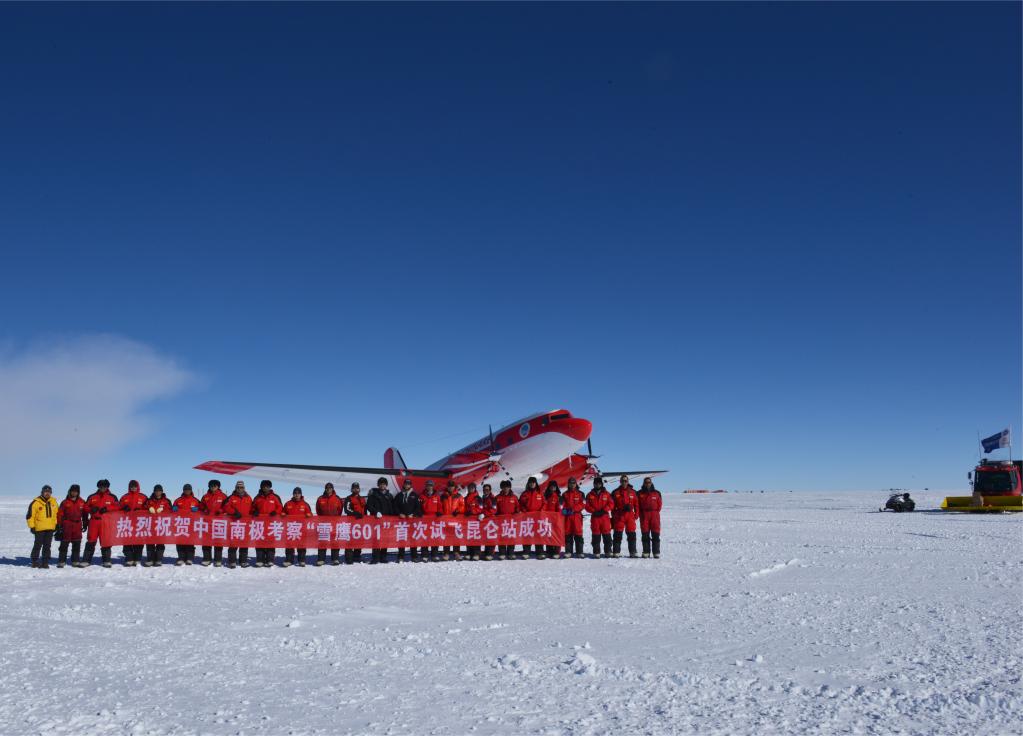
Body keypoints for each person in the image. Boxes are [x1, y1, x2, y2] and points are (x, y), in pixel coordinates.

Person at [82, 479, 120, 567]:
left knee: (106, 541)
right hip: (94, 522)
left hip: (106, 522)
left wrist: (107, 509)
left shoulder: (112, 497)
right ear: (98, 487)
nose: (102, 488)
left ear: (107, 487)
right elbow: (85, 507)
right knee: (91, 541)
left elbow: (118, 507)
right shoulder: (92, 496)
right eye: (101, 486)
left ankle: (106, 560)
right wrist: (91, 509)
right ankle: (86, 560)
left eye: (104, 486)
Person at [251, 480, 284, 567]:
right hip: (260, 524)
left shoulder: (275, 497)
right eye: (264, 486)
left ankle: (270, 559)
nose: (265, 488)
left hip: (271, 524)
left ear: (270, 487)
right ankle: (260, 560)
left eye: (267, 486)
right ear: (261, 487)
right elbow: (252, 508)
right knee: (259, 541)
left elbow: (280, 507)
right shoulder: (257, 497)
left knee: (270, 542)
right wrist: (254, 511)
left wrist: (276, 512)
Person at [222, 481, 253, 568]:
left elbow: (252, 508)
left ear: (244, 488)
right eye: (238, 487)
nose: (240, 489)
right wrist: (234, 512)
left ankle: (243, 561)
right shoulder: (231, 497)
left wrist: (254, 511)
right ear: (235, 488)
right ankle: (232, 561)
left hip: (245, 525)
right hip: (234, 524)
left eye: (241, 487)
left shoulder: (248, 498)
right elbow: (226, 507)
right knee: (233, 543)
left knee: (244, 543)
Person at [26, 484, 58, 568]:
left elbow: (56, 515)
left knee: (47, 546)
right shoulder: (36, 502)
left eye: (49, 492)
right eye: (45, 492)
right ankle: (34, 561)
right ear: (42, 492)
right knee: (38, 545)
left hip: (50, 528)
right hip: (39, 528)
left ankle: (45, 562)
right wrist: (32, 526)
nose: (47, 493)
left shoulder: (54, 502)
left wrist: (56, 525)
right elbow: (30, 516)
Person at [392, 478, 423, 562]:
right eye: (406, 484)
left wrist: (413, 514)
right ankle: (401, 556)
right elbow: (395, 506)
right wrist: (399, 513)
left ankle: (414, 556)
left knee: (413, 539)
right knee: (402, 538)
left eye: (408, 484)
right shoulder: (399, 495)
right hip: (401, 521)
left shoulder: (414, 495)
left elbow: (418, 507)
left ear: (410, 485)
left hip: (412, 520)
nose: (407, 485)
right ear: (404, 484)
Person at [366, 477, 395, 564]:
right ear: (378, 485)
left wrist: (392, 518)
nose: (382, 486)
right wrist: (376, 512)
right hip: (376, 521)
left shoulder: (389, 496)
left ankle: (383, 557)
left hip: (386, 521)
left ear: (386, 485)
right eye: (381, 484)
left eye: (384, 484)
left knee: (385, 539)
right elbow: (369, 506)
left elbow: (392, 508)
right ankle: (375, 557)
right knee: (376, 539)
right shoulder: (373, 495)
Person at [57, 484, 87, 568]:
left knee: (77, 543)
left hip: (77, 525)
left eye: (76, 491)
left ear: (78, 492)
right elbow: (60, 514)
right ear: (70, 491)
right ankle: (61, 561)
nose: (74, 493)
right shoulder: (65, 502)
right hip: (67, 524)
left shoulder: (82, 502)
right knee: (64, 544)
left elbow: (85, 514)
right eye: (73, 491)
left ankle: (75, 560)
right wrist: (59, 524)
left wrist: (85, 523)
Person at [119, 479, 148, 567]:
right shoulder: (124, 497)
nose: (133, 488)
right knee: (127, 541)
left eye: (135, 486)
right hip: (127, 523)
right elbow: (118, 507)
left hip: (139, 523)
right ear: (129, 487)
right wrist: (123, 508)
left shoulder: (143, 497)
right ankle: (129, 559)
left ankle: (137, 559)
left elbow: (148, 507)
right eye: (131, 486)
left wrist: (141, 510)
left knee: (138, 541)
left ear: (137, 487)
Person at [200, 480, 227, 566]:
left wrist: (221, 510)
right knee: (206, 541)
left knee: (218, 541)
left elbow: (227, 507)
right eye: (211, 485)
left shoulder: (223, 496)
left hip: (219, 522)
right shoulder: (205, 496)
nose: (213, 487)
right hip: (207, 523)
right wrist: (204, 510)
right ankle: (207, 558)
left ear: (218, 486)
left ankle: (218, 559)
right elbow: (201, 506)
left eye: (215, 485)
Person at [143, 485, 173, 566]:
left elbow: (171, 510)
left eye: (159, 491)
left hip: (161, 525)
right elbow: (143, 508)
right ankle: (150, 559)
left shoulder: (166, 501)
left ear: (162, 491)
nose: (158, 492)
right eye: (156, 491)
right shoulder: (149, 500)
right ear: (154, 491)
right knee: (150, 542)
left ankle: (158, 559)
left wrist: (163, 509)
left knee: (160, 542)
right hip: (150, 525)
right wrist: (148, 508)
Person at [611, 474, 640, 558]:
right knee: (617, 534)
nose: (624, 482)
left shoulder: (633, 492)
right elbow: (612, 506)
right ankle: (616, 552)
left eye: (625, 481)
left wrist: (636, 515)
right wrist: (614, 515)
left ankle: (633, 552)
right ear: (620, 482)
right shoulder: (615, 492)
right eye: (622, 481)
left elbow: (636, 505)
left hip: (630, 516)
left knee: (631, 535)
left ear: (628, 482)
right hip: (619, 516)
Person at [315, 483, 343, 566]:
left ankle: (335, 559)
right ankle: (321, 559)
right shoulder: (320, 498)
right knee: (322, 541)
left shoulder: (337, 498)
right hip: (324, 524)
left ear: (332, 489)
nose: (328, 489)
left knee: (335, 541)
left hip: (334, 524)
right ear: (325, 489)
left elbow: (340, 510)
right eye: (327, 488)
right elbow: (318, 510)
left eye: (330, 488)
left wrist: (335, 519)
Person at [585, 477, 614, 558]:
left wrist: (604, 510)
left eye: (599, 483)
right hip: (595, 518)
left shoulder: (607, 494)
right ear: (594, 484)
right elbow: (586, 506)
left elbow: (611, 504)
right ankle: (596, 552)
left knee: (607, 535)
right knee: (596, 535)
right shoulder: (589, 495)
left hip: (604, 517)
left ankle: (608, 551)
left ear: (601, 484)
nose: (597, 485)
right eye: (596, 483)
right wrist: (594, 511)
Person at [172, 483, 201, 565]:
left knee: (190, 542)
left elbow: (202, 509)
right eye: (185, 490)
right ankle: (181, 558)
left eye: (188, 490)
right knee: (180, 542)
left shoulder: (195, 500)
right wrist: (173, 508)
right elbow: (172, 510)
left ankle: (190, 558)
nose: (187, 491)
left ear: (191, 490)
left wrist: (198, 509)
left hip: (191, 525)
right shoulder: (178, 500)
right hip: (180, 524)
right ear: (183, 490)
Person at [283, 487, 312, 567]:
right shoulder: (288, 504)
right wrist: (283, 514)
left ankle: (301, 560)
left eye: (298, 493)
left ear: (301, 494)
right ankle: (289, 560)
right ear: (293, 494)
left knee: (301, 545)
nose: (296, 495)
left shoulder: (305, 504)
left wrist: (309, 515)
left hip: (301, 528)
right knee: (289, 545)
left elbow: (310, 514)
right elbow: (283, 512)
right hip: (290, 528)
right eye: (295, 493)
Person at [517, 477, 544, 559]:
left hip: (538, 518)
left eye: (533, 482)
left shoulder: (540, 493)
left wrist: (541, 511)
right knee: (527, 534)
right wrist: (524, 510)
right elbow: (519, 504)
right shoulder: (524, 494)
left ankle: (540, 552)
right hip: (527, 518)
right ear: (528, 484)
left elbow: (544, 503)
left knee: (538, 534)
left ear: (536, 484)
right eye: (530, 482)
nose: (532, 484)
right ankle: (526, 551)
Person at [637, 477, 663, 559]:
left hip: (654, 515)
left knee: (655, 534)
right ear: (643, 483)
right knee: (645, 534)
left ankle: (656, 552)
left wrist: (655, 512)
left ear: (651, 483)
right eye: (646, 482)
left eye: (649, 482)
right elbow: (637, 505)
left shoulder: (657, 493)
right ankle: (646, 552)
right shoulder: (639, 493)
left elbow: (659, 505)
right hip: (644, 515)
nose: (647, 484)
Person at [561, 477, 586, 559]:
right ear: (568, 484)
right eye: (570, 483)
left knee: (578, 534)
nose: (572, 485)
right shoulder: (564, 494)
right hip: (568, 517)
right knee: (568, 534)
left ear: (576, 484)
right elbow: (562, 505)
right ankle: (568, 551)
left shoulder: (581, 494)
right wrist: (566, 511)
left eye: (573, 483)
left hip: (577, 516)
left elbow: (583, 504)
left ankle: (580, 552)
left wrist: (574, 509)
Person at [495, 480, 519, 560]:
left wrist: (518, 512)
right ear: (501, 488)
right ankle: (502, 552)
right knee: (501, 536)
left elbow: (517, 507)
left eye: (507, 487)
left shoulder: (514, 497)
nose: (506, 489)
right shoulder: (498, 497)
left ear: (510, 488)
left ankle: (511, 552)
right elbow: (495, 509)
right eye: (504, 487)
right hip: (501, 521)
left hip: (511, 521)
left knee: (511, 536)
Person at [419, 480, 442, 561]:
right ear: (425, 486)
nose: (429, 487)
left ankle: (434, 555)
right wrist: (420, 512)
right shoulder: (421, 496)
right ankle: (424, 555)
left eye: (431, 485)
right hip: (424, 519)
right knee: (424, 537)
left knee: (435, 537)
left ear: (433, 486)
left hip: (434, 520)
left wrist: (439, 512)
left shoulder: (437, 496)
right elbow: (418, 506)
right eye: (428, 485)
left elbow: (440, 506)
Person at [343, 482, 367, 563]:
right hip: (351, 523)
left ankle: (357, 556)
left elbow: (365, 509)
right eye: (354, 488)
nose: (356, 489)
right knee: (350, 540)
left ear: (359, 489)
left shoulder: (362, 499)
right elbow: (347, 509)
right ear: (351, 489)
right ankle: (349, 557)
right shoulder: (349, 498)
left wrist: (366, 518)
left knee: (359, 540)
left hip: (360, 523)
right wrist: (355, 513)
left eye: (357, 488)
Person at [442, 481, 465, 560]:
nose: (450, 488)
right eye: (449, 486)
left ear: (454, 487)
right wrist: (440, 512)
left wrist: (458, 510)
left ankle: (456, 552)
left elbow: (462, 506)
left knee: (456, 536)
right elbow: (440, 506)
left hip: (456, 519)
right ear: (447, 487)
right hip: (446, 520)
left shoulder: (459, 496)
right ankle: (446, 553)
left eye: (452, 486)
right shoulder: (443, 496)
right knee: (446, 537)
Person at [542, 481, 563, 559]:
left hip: (556, 519)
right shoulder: (545, 496)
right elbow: (544, 506)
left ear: (556, 487)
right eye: (551, 486)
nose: (552, 488)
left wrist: (557, 516)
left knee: (556, 535)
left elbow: (560, 508)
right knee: (548, 535)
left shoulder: (559, 497)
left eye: (554, 486)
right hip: (547, 519)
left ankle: (556, 552)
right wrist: (543, 513)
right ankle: (549, 551)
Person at [464, 483, 483, 560]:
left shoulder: (478, 498)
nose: (471, 489)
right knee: (468, 536)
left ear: (475, 489)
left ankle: (476, 553)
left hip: (476, 520)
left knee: (476, 536)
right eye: (469, 488)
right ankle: (469, 552)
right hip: (467, 520)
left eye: (472, 488)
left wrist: (472, 511)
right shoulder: (465, 498)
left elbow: (480, 508)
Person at [480, 483, 498, 560]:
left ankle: (490, 553)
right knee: (485, 537)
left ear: (490, 490)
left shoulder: (492, 499)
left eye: (487, 489)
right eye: (484, 490)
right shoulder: (482, 498)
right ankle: (486, 552)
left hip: (491, 521)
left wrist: (484, 514)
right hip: (484, 521)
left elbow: (494, 509)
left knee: (490, 537)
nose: (485, 491)